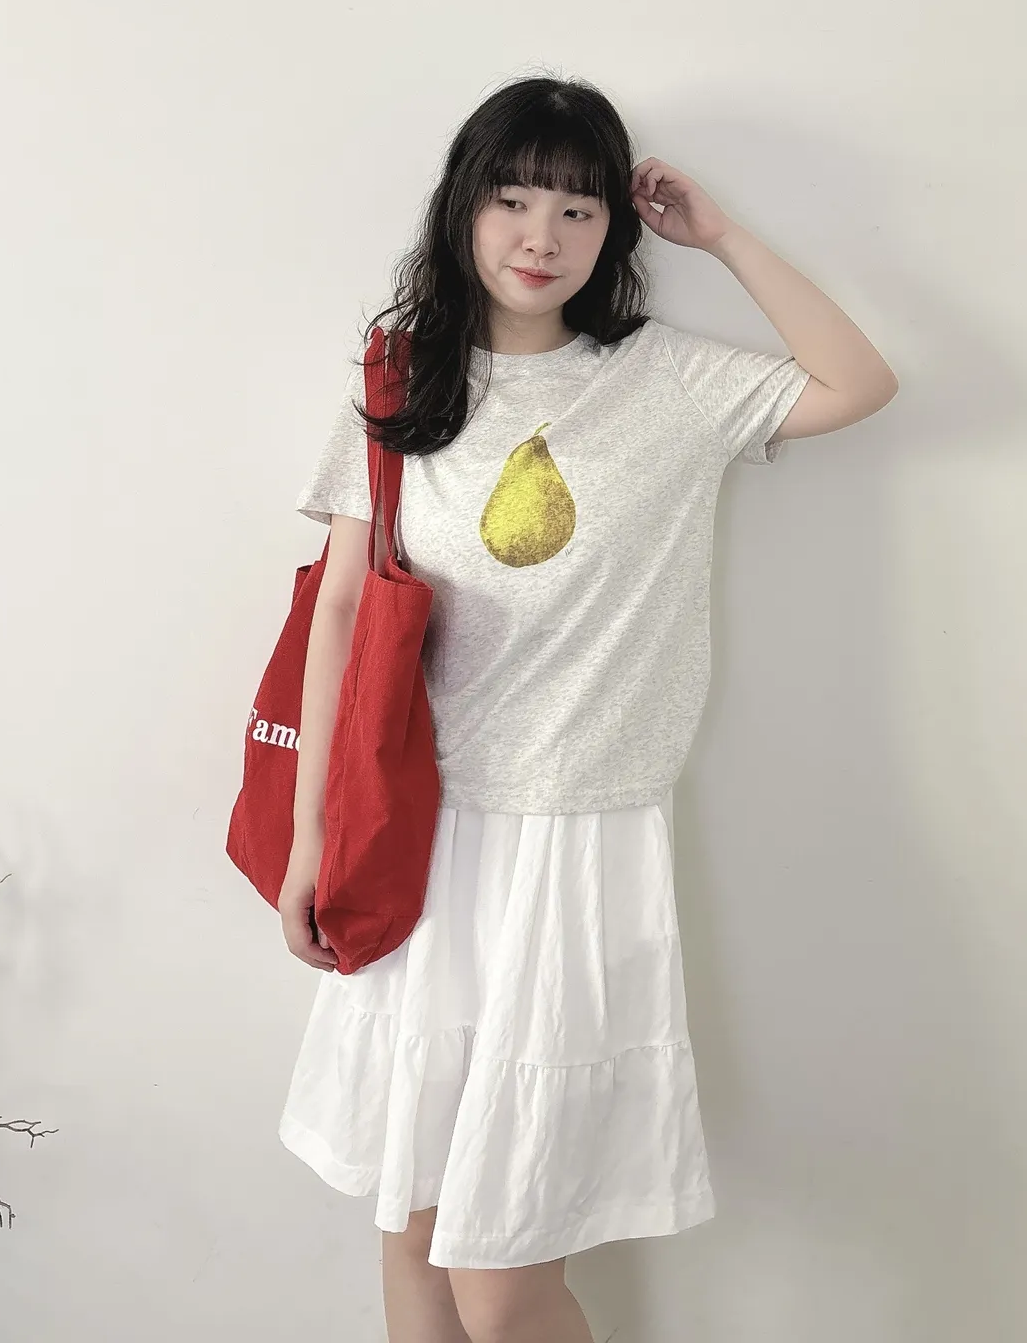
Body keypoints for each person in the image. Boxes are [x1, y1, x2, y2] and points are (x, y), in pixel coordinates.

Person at [273, 74, 899, 1343]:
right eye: (512, 198)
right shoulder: (404, 383)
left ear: (614, 228)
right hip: (418, 840)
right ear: (463, 207)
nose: (540, 235)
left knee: (501, 1282)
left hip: (577, 845)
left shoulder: (667, 382)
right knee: (413, 1234)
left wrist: (721, 237)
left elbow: (858, 381)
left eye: (575, 207)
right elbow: (337, 618)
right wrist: (309, 842)